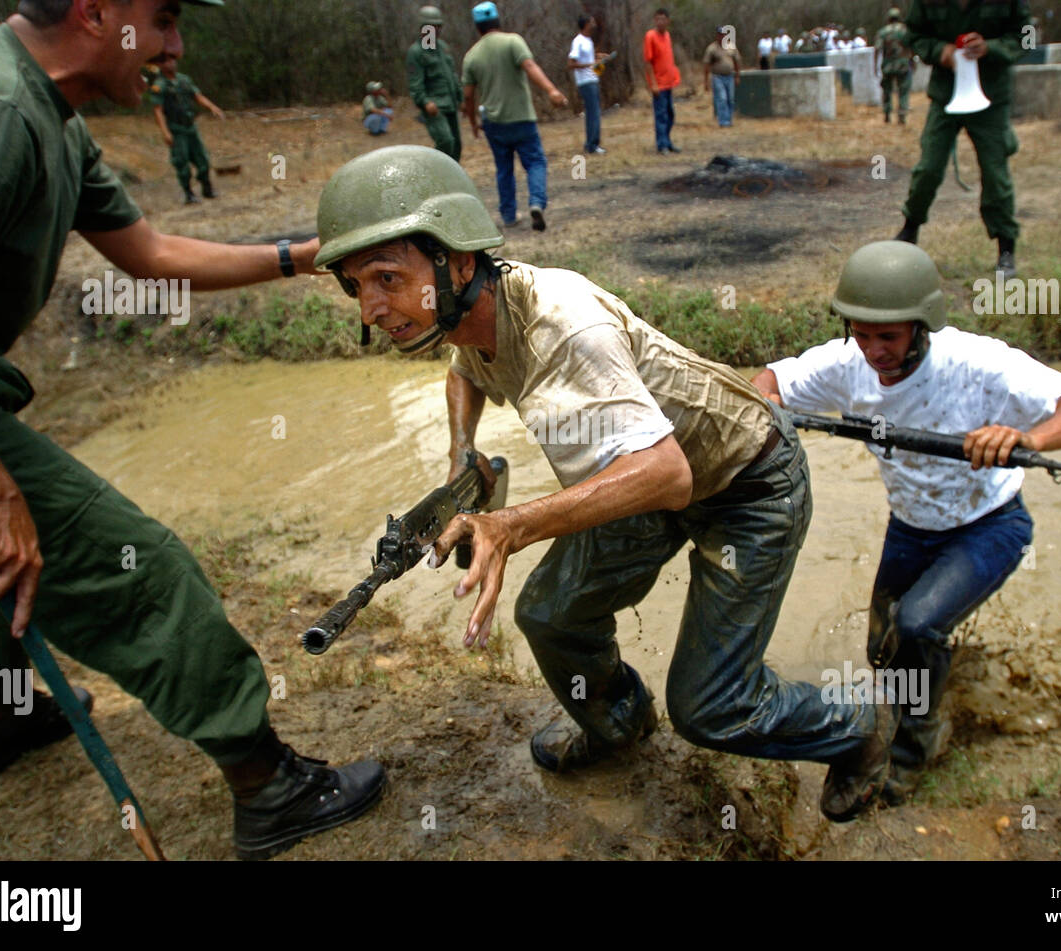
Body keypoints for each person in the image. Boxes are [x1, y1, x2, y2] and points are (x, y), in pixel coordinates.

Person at [313, 146, 901, 823]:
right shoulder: (469, 313)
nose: (370, 307)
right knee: (550, 613)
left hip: (746, 481)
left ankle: (859, 725)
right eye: (355, 285)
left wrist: (510, 524)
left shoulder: (564, 324)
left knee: (711, 705)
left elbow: (668, 473)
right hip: (635, 477)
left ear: (459, 261)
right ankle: (618, 720)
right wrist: (462, 453)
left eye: (387, 277)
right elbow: (464, 368)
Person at [0, 0, 385, 861]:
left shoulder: (50, 116)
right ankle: (270, 785)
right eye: (166, 19)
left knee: (12, 552)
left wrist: (310, 252)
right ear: (98, 12)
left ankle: (7, 712)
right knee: (140, 566)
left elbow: (150, 251)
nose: (176, 49)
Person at [752, 241, 1061, 803]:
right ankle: (927, 681)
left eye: (888, 337)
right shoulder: (847, 365)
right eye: (862, 333)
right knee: (883, 649)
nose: (874, 350)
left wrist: (1027, 438)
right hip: (911, 528)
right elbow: (769, 381)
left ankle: (912, 751)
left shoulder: (979, 364)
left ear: (921, 326)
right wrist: (770, 407)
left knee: (917, 626)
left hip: (988, 527)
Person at [895, 0, 1030, 279]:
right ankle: (910, 229)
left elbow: (1025, 37)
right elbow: (913, 36)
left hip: (991, 97)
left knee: (995, 172)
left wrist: (990, 47)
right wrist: (939, 51)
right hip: (946, 94)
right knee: (929, 167)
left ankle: (1006, 249)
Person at [462, 1, 567, 232]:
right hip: (521, 117)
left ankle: (509, 215)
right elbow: (529, 66)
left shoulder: (471, 56)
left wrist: (473, 123)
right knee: (535, 162)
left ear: (477, 27)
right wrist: (551, 90)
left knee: (504, 168)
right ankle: (537, 203)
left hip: (494, 122)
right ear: (498, 21)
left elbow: (468, 97)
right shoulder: (513, 41)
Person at [148, 53, 223, 204]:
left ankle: (207, 188)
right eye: (166, 61)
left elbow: (197, 96)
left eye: (172, 60)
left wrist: (212, 107)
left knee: (202, 159)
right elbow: (158, 111)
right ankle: (189, 194)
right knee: (181, 162)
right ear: (160, 65)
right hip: (176, 129)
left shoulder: (184, 80)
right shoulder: (160, 85)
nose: (171, 63)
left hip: (190, 126)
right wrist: (165, 132)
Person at [407, 5, 464, 161]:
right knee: (446, 141)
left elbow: (452, 75)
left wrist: (461, 98)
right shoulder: (416, 52)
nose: (436, 30)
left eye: (438, 26)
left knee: (457, 145)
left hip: (450, 103)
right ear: (423, 27)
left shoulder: (442, 47)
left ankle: (452, 180)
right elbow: (415, 83)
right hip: (435, 107)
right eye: (432, 26)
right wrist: (425, 102)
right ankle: (432, 172)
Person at [569, 14, 611, 155]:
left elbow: (588, 59)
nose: (594, 23)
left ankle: (591, 144)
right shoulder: (578, 41)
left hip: (593, 79)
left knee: (594, 113)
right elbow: (572, 63)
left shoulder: (588, 41)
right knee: (594, 113)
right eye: (591, 21)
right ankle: (593, 145)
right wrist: (590, 64)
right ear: (586, 24)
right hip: (585, 82)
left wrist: (599, 57)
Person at [644, 8, 681, 154]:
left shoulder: (667, 35)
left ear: (667, 21)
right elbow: (648, 62)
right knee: (661, 115)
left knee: (670, 114)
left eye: (663, 19)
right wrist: (653, 84)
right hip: (658, 83)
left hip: (669, 81)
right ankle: (662, 145)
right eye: (657, 19)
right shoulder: (650, 36)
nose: (660, 22)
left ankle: (668, 141)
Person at [875, 7, 912, 126]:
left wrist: (875, 65)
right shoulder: (905, 30)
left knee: (887, 90)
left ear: (889, 18)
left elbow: (877, 49)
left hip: (888, 65)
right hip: (903, 64)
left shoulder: (883, 32)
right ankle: (902, 115)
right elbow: (911, 47)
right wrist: (913, 62)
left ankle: (887, 114)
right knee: (903, 90)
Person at [702, 25, 741, 128]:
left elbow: (737, 62)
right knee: (722, 98)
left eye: (723, 34)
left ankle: (729, 119)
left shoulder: (731, 46)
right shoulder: (712, 49)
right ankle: (723, 121)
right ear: (717, 35)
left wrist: (737, 76)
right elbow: (706, 64)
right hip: (718, 77)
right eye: (720, 34)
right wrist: (706, 81)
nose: (722, 36)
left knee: (730, 99)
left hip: (730, 76)